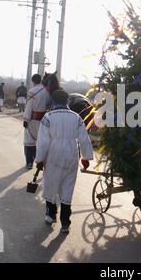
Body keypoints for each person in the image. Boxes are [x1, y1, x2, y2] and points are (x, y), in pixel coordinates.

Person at [35, 90, 94, 233]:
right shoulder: (76, 118)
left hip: (53, 155)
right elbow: (84, 139)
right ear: (67, 101)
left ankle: (50, 215)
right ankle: (65, 223)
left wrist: (40, 159)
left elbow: (43, 141)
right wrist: (85, 157)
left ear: (54, 102)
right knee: (68, 187)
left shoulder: (48, 117)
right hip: (71, 155)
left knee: (50, 184)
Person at [23, 74, 52, 170]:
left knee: (29, 141)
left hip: (32, 120)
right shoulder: (47, 92)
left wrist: (26, 119)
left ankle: (29, 163)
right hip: (43, 121)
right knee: (40, 142)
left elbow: (29, 106)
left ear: (33, 81)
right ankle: (40, 161)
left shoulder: (32, 91)